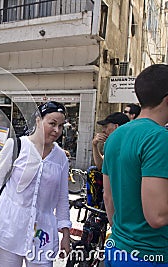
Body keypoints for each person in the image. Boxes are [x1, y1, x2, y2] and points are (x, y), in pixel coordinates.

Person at [0, 101, 71, 266]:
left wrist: (65, 234)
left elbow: (62, 199)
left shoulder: (61, 158)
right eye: (52, 124)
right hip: (9, 226)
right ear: (38, 120)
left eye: (61, 126)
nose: (56, 130)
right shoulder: (16, 145)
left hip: (42, 232)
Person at [103, 64, 168, 266]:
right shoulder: (159, 138)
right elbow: (156, 216)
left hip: (117, 248)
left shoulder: (115, 137)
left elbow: (108, 196)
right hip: (150, 255)